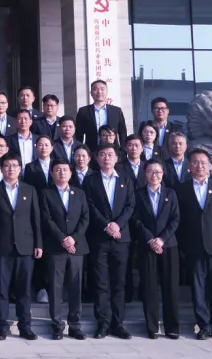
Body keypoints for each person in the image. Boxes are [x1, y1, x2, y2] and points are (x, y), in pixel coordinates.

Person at [176, 149, 212, 340]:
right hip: (193, 246)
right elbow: (179, 220)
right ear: (189, 166)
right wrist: (182, 246)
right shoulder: (181, 189)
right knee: (198, 288)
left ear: (209, 166)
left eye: (203, 162)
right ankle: (204, 325)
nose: (199, 166)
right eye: (195, 162)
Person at [0, 154, 43, 341]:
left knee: (24, 290)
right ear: (1, 168)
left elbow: (36, 219)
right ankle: (1, 326)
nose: (11, 169)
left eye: (15, 165)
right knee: (1, 289)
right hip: (1, 246)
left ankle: (25, 326)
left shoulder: (29, 190)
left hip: (26, 246)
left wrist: (38, 244)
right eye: (7, 166)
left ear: (20, 168)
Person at [83, 144, 135, 340]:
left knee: (119, 282)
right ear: (97, 158)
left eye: (110, 154)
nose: (106, 158)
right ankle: (103, 323)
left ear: (116, 158)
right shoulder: (90, 180)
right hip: (100, 238)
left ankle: (118, 323)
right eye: (103, 154)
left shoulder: (125, 178)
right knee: (101, 282)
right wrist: (107, 225)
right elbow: (89, 206)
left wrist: (117, 225)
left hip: (121, 238)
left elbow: (130, 205)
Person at [40, 157, 89, 341]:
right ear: (52, 173)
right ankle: (57, 325)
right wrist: (62, 238)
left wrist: (73, 238)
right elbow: (46, 219)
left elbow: (85, 218)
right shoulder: (45, 194)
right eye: (58, 170)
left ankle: (75, 325)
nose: (62, 173)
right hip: (56, 246)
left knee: (76, 286)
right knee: (55, 287)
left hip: (77, 247)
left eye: (65, 170)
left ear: (71, 172)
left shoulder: (79, 193)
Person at [131, 160, 180, 340]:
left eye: (158, 172)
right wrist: (150, 239)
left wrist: (161, 239)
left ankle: (172, 327)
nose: (155, 175)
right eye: (151, 171)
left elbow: (175, 219)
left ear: (163, 174)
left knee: (170, 288)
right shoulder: (138, 194)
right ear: (145, 173)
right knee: (149, 288)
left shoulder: (170, 193)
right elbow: (135, 220)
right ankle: (152, 327)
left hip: (168, 245)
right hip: (147, 246)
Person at [74, 79, 128, 150]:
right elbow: (78, 134)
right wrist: (79, 150)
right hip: (91, 151)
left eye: (102, 89)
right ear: (91, 93)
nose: (99, 92)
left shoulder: (116, 111)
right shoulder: (83, 111)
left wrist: (123, 152)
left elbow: (123, 133)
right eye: (95, 89)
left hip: (113, 151)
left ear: (107, 92)